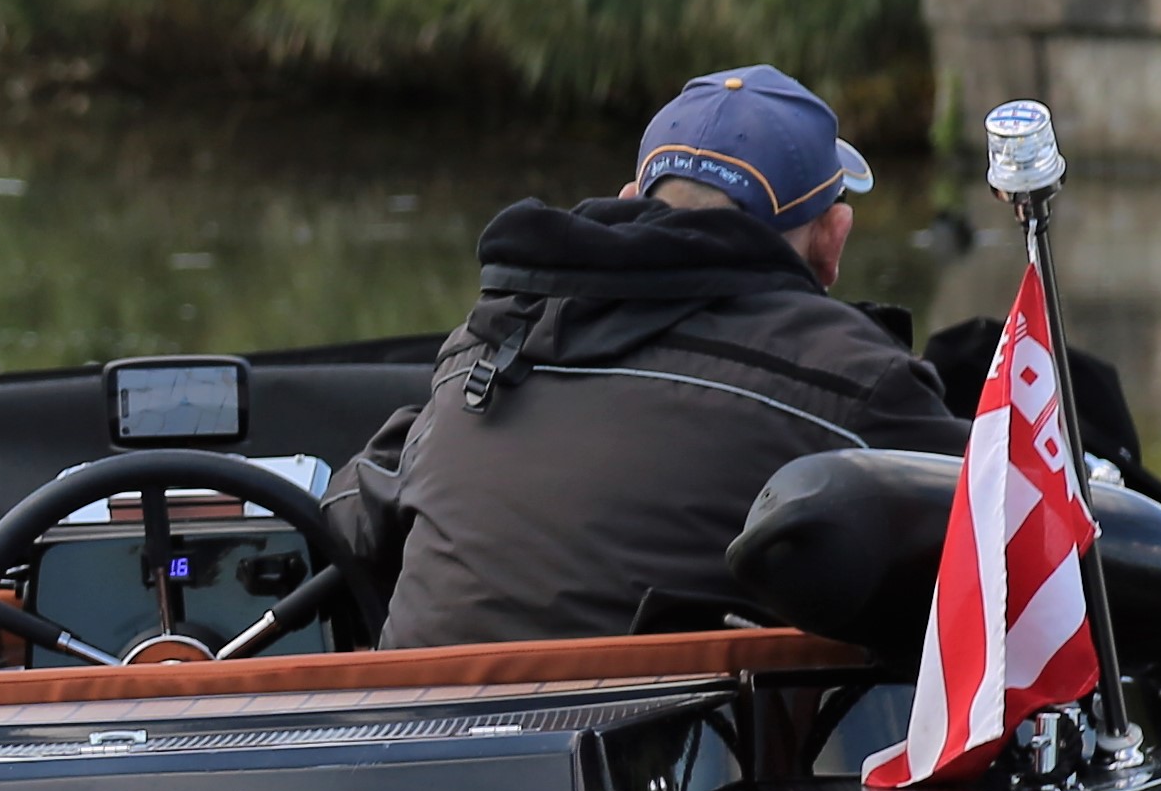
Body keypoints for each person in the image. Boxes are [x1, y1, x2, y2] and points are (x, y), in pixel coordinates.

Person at [329, 67, 965, 648]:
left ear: (634, 199)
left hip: (415, 745)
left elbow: (355, 516)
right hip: (672, 765)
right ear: (833, 238)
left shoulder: (492, 335)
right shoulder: (851, 375)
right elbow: (1014, 530)